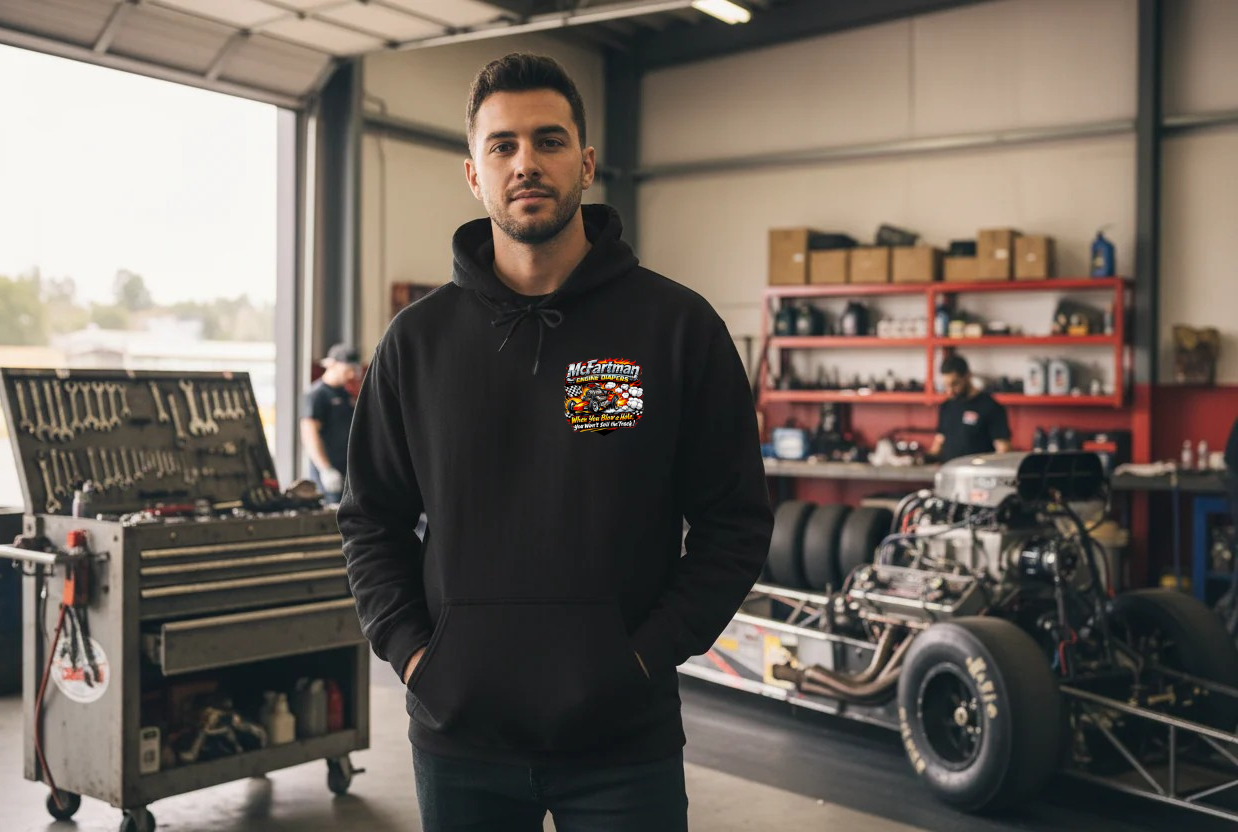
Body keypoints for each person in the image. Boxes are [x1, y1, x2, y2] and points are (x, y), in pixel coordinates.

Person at [336, 53, 773, 832]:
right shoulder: (417, 343)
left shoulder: (674, 329)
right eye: (501, 146)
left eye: (549, 140)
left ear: (588, 161)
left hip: (622, 743)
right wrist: (415, 656)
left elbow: (734, 521)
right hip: (459, 740)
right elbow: (370, 518)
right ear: (473, 172)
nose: (526, 163)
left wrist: (644, 656)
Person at [300, 343, 359, 502]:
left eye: (354, 369)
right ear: (331, 364)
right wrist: (325, 469)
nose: (351, 374)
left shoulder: (346, 394)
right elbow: (309, 434)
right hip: (328, 475)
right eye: (347, 369)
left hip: (347, 473)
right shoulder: (317, 395)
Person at [928, 354, 1012, 462]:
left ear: (968, 376)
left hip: (978, 475)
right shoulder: (946, 406)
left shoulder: (991, 407)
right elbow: (939, 443)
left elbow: (1003, 450)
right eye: (946, 385)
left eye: (955, 384)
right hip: (949, 473)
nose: (950, 391)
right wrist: (922, 459)